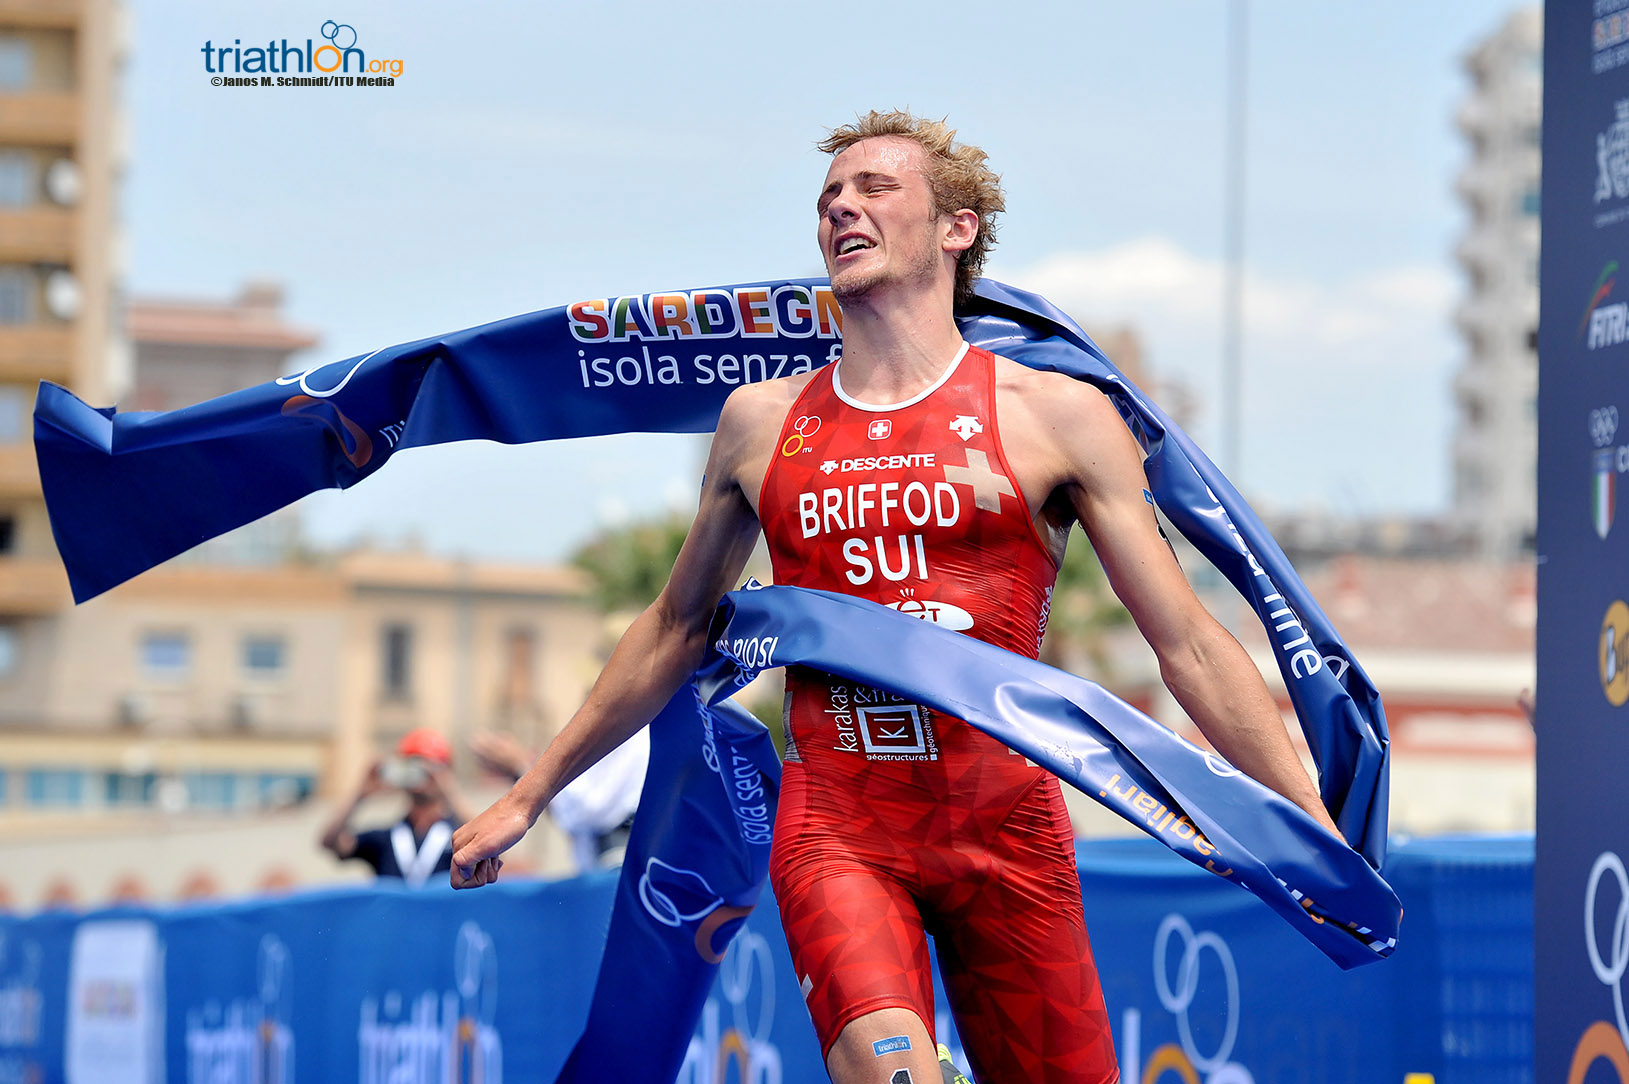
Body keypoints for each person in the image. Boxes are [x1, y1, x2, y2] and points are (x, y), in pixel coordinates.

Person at [451, 110, 1339, 1084]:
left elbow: (1192, 646)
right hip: (842, 822)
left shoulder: (1054, 417)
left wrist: (1309, 823)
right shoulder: (761, 422)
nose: (841, 206)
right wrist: (531, 794)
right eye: (829, 196)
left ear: (955, 228)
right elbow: (673, 627)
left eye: (875, 188)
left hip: (1009, 826)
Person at [467, 727, 648, 873]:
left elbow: (587, 809)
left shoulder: (638, 735)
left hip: (624, 866)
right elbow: (568, 810)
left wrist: (522, 767)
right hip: (594, 867)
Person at [320, 727, 472, 887]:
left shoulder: (459, 835)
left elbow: (492, 851)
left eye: (429, 767)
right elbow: (330, 842)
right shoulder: (386, 838)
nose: (423, 775)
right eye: (412, 766)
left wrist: (450, 792)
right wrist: (359, 794)